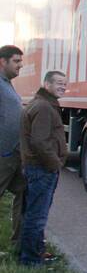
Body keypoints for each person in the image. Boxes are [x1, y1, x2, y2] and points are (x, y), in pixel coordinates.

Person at [19, 70, 69, 266]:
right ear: (46, 84)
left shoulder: (41, 104)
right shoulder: (44, 107)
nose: (62, 87)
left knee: (33, 214)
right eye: (58, 83)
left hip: (37, 168)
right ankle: (31, 261)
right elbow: (40, 142)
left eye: (65, 83)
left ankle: (34, 255)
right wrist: (54, 165)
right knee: (37, 217)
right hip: (41, 169)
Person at [0, 45, 26, 250]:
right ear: (3, 61)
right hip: (3, 154)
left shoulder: (7, 84)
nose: (21, 65)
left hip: (14, 153)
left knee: (25, 190)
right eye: (16, 61)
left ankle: (19, 244)